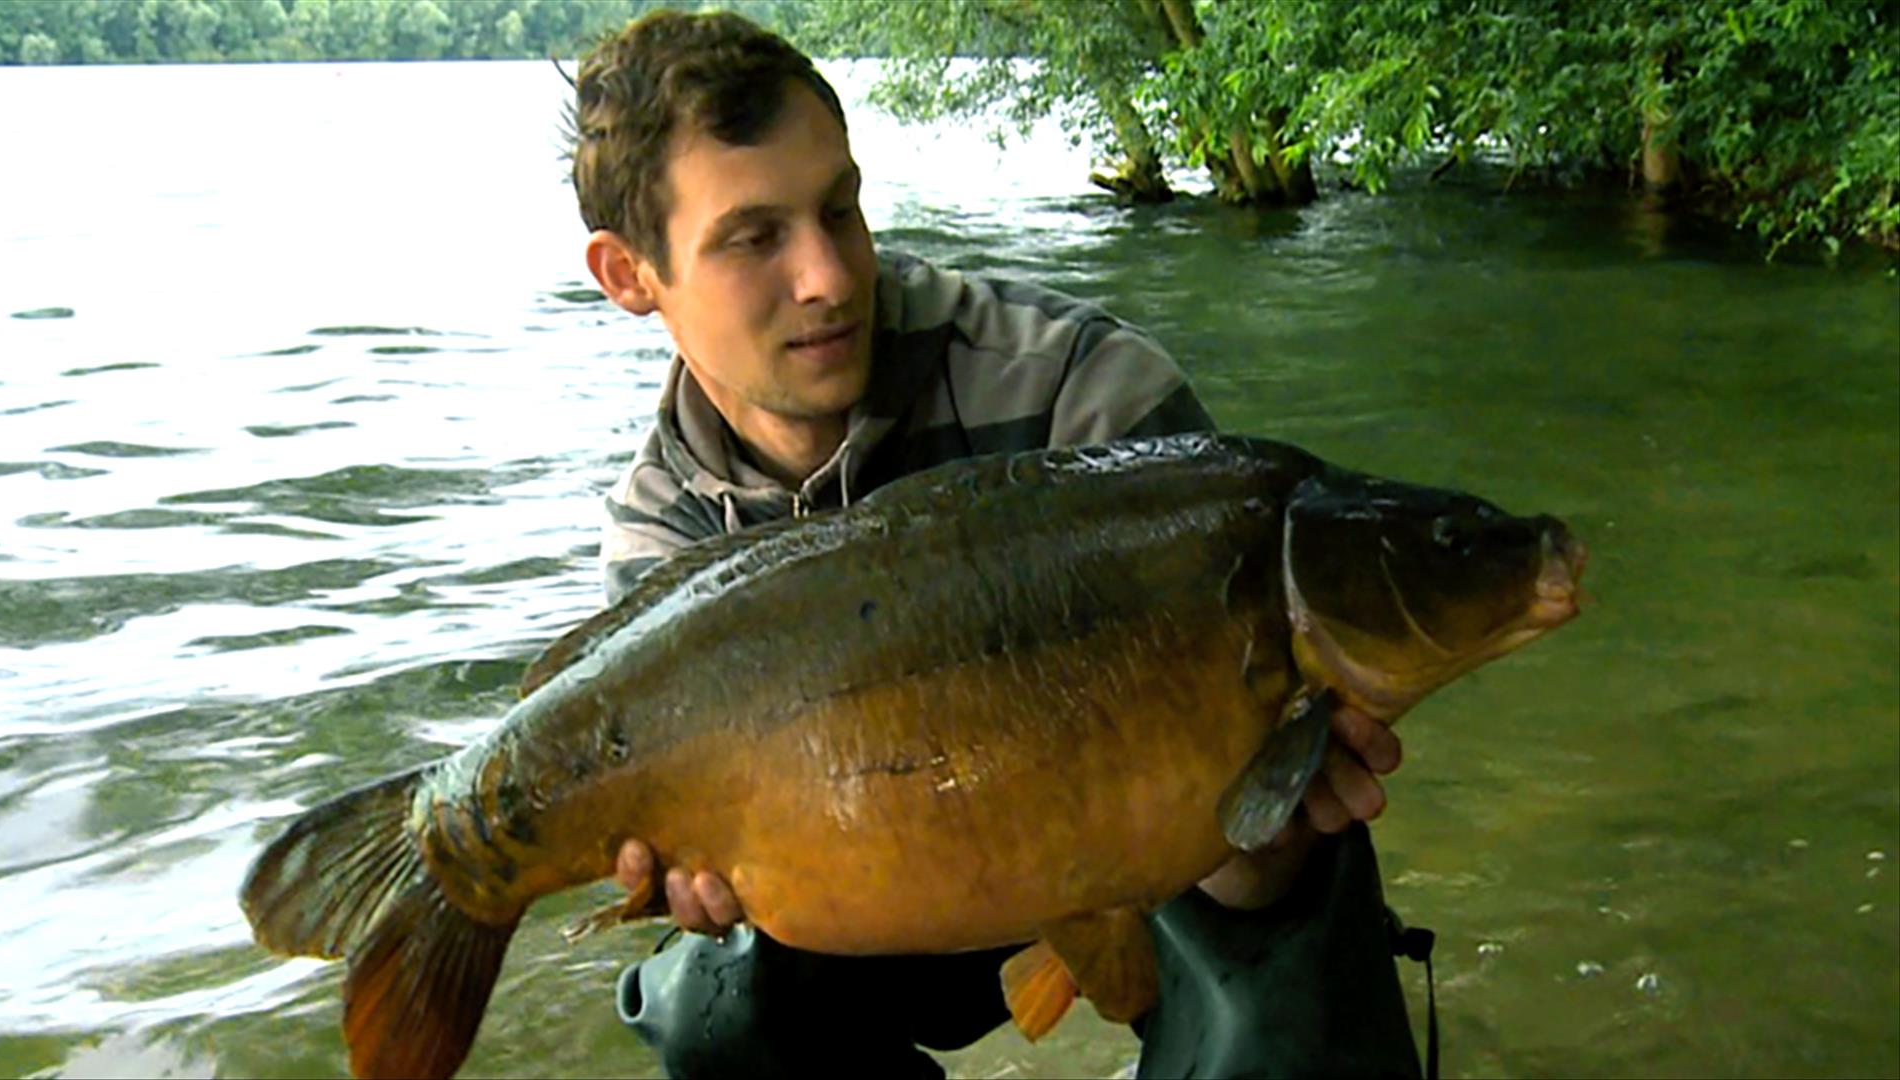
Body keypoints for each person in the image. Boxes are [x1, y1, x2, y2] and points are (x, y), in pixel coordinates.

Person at [571, 10, 1425, 1078]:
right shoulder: (661, 532)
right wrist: (700, 881)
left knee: (1295, 921)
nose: (828, 275)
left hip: (1143, 849)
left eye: (841, 208)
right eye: (753, 237)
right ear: (628, 274)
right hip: (879, 876)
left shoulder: (1082, 390)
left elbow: (1239, 795)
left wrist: (1271, 840)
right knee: (717, 1003)